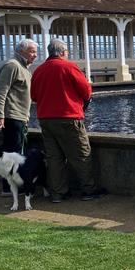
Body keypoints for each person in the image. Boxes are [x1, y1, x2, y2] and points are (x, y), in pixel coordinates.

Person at [30, 38, 105, 202]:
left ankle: (58, 193)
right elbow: (86, 91)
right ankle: (88, 190)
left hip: (46, 119)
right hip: (68, 117)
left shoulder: (39, 70)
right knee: (81, 154)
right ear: (63, 52)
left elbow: (34, 96)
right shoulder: (69, 66)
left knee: (54, 158)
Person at [0, 39, 38, 195]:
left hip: (19, 117)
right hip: (12, 117)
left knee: (13, 151)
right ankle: (8, 188)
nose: (35, 55)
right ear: (21, 51)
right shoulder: (12, 66)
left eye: (35, 51)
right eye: (31, 51)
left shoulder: (23, 68)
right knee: (12, 153)